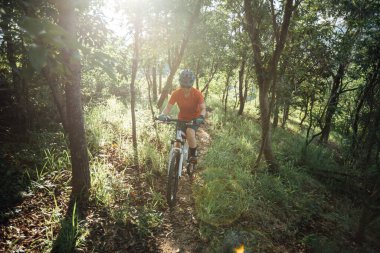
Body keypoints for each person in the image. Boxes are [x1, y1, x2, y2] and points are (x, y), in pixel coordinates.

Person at [158, 69, 206, 163]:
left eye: (188, 86)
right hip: (181, 119)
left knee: (189, 132)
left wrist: (201, 117)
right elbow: (168, 107)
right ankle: (176, 164)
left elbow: (203, 108)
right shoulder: (176, 93)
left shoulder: (197, 94)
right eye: (183, 85)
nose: (185, 88)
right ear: (180, 83)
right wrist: (163, 115)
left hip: (194, 119)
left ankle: (193, 155)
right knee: (178, 140)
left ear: (191, 84)